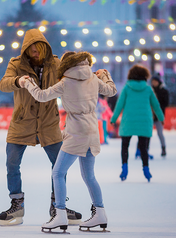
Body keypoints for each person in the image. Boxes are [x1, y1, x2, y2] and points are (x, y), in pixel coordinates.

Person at [21, 51, 117, 232]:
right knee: (89, 176)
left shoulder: (65, 82)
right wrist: (105, 74)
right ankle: (100, 213)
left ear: (65, 65)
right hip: (91, 130)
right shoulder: (93, 79)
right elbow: (112, 90)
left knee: (58, 173)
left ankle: (60, 215)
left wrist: (28, 83)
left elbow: (41, 96)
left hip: (76, 133)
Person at [0, 28, 81, 226]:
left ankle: (57, 206)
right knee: (12, 164)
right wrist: (18, 81)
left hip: (48, 123)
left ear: (44, 47)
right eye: (32, 50)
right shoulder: (16, 64)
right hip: (22, 122)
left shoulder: (56, 63)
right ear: (26, 50)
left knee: (60, 166)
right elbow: (3, 84)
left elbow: (72, 80)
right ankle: (16, 204)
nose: (36, 53)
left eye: (39, 50)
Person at [110, 65, 164, 182]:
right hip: (144, 121)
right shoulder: (148, 89)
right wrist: (161, 118)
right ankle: (146, 169)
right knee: (143, 147)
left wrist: (113, 119)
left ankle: (124, 167)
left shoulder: (126, 88)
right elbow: (156, 105)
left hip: (128, 121)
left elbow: (119, 105)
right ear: (145, 76)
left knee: (125, 145)